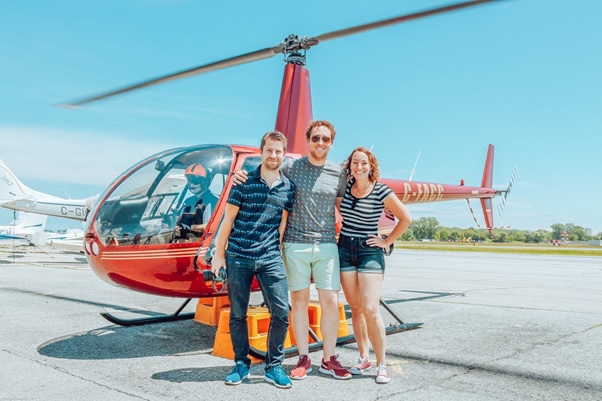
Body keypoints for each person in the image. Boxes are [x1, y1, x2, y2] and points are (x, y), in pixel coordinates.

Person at [233, 120, 351, 380]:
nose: (320, 143)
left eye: (326, 139)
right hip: (295, 244)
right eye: (316, 138)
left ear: (331, 143)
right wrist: (240, 175)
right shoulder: (290, 166)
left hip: (326, 245)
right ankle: (303, 357)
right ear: (307, 141)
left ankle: (329, 359)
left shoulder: (338, 174)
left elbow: (343, 207)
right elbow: (266, 167)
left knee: (330, 301)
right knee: (298, 302)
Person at [211, 131, 296, 389]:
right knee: (238, 313)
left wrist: (279, 254)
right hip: (239, 255)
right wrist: (218, 254)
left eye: (278, 151)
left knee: (281, 313)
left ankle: (274, 366)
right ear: (262, 152)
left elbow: (281, 225)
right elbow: (228, 220)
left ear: (283, 154)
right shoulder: (243, 181)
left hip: (270, 257)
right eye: (269, 150)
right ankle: (241, 364)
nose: (273, 155)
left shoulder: (288, 188)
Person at [337, 146, 412, 384]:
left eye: (364, 163)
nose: (359, 167)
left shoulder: (380, 190)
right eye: (355, 163)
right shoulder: (345, 189)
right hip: (345, 249)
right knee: (356, 309)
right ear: (349, 166)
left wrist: (387, 241)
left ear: (371, 167)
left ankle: (382, 364)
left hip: (369, 250)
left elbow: (406, 218)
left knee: (370, 309)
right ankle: (363, 358)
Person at [174, 163, 219, 239]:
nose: (191, 185)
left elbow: (212, 227)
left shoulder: (214, 201)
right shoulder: (188, 201)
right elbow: (179, 219)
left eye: (195, 180)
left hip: (202, 243)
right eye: (189, 180)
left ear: (205, 181)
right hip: (185, 240)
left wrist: (189, 227)